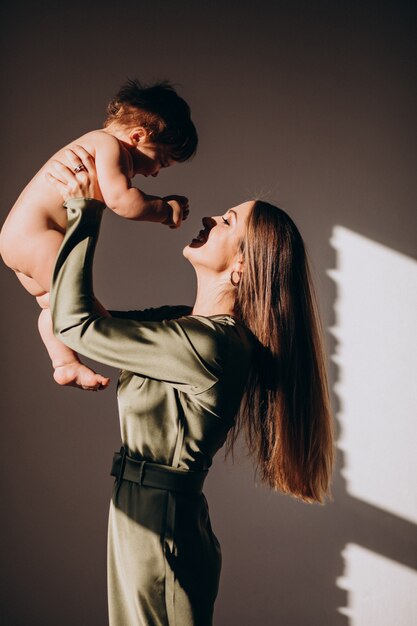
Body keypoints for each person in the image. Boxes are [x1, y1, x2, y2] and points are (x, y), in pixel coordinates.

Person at [47, 147, 334, 626]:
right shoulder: (181, 326)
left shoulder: (212, 345)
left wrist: (87, 210)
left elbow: (76, 326)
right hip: (139, 514)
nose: (208, 217)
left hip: (161, 528)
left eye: (226, 222)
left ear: (243, 267)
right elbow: (77, 318)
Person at [0, 79, 196, 390]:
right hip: (37, 235)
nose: (155, 173)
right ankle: (122, 344)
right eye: (160, 161)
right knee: (81, 300)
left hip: (21, 238)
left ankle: (64, 363)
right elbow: (122, 201)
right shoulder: (109, 146)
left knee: (55, 305)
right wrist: (164, 208)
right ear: (137, 136)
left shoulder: (96, 143)